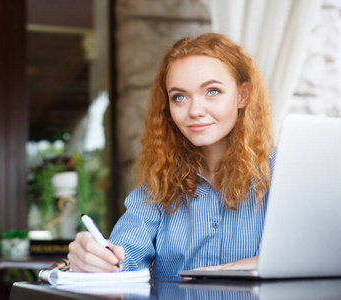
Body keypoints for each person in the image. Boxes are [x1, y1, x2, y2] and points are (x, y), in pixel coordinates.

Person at [67, 33, 275, 278]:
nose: (195, 111)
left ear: (243, 95)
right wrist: (98, 259)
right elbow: (124, 258)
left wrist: (222, 270)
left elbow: (311, 254)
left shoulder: (283, 173)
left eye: (212, 91)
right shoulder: (159, 187)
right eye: (180, 97)